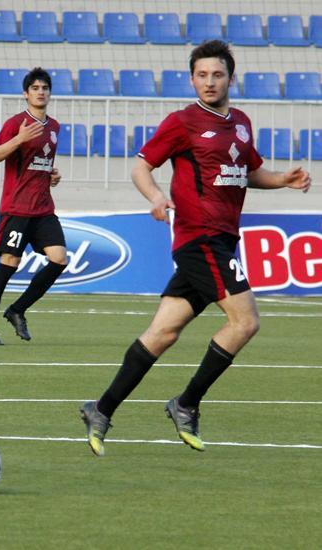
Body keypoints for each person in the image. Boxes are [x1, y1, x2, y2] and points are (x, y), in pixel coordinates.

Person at [79, 40, 312, 457]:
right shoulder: (182, 121)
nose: (209, 81)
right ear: (191, 80)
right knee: (245, 322)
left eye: (217, 74)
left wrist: (283, 180)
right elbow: (141, 166)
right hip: (198, 238)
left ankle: (101, 408)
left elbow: (248, 171)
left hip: (221, 239)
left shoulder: (241, 123)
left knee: (163, 333)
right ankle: (186, 403)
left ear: (230, 78)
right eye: (202, 75)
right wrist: (155, 196)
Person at [0, 67, 66, 346]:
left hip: (43, 209)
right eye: (35, 88)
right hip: (17, 208)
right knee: (10, 263)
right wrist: (19, 139)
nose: (41, 92)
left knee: (59, 258)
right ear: (26, 94)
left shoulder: (54, 126)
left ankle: (17, 310)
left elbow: (38, 163)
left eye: (45, 88)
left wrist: (51, 175)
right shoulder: (16, 123)